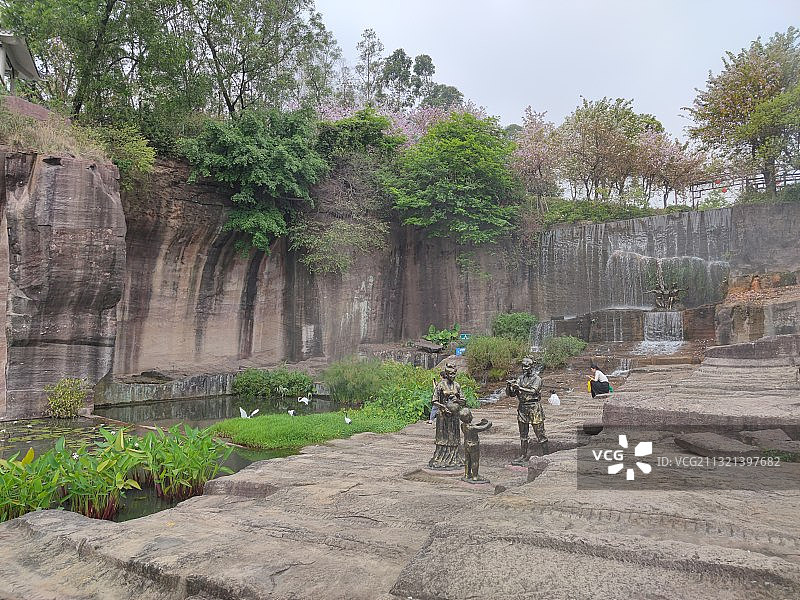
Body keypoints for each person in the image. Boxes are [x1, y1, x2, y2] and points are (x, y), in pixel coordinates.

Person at [506, 357, 548, 465]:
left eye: (527, 366)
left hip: (534, 408)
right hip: (522, 408)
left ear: (532, 367)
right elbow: (512, 394)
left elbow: (533, 391)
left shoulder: (537, 379)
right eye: (523, 366)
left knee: (540, 434)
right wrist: (509, 387)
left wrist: (518, 388)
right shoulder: (520, 378)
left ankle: (547, 455)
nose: (524, 368)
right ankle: (523, 456)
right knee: (523, 434)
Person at [428, 362, 465, 469]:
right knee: (443, 437)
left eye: (454, 374)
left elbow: (463, 401)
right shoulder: (440, 385)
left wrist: (457, 399)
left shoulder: (457, 385)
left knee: (453, 436)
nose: (453, 376)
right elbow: (434, 401)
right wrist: (443, 408)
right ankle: (441, 458)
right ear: (447, 374)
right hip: (443, 416)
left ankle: (454, 458)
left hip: (454, 416)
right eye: (451, 374)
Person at [459, 408, 492, 483]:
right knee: (475, 461)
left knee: (467, 460)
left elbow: (476, 426)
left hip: (466, 444)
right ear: (469, 417)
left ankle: (467, 474)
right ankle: (475, 476)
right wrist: (488, 423)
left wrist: (481, 423)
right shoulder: (472, 428)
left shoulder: (463, 425)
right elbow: (483, 428)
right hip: (474, 445)